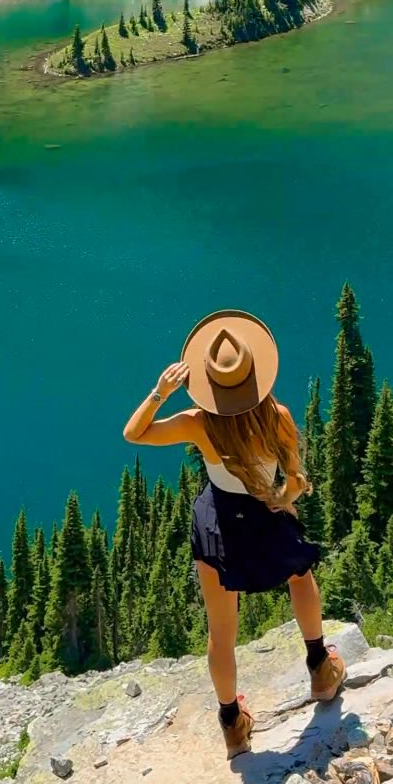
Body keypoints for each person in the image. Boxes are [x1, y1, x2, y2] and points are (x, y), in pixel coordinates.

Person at [123, 309, 346, 756]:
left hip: (219, 523)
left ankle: (232, 723)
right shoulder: (276, 416)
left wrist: (159, 391)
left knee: (220, 632)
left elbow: (134, 433)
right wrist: (284, 501)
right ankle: (321, 668)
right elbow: (297, 480)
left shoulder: (197, 423)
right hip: (264, 513)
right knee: (301, 577)